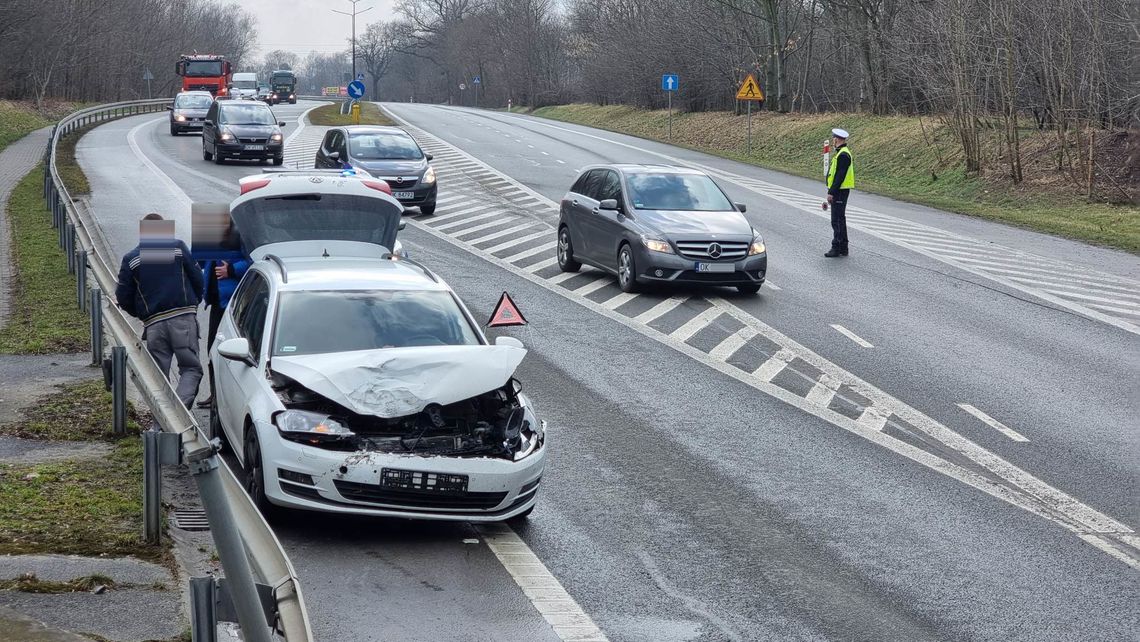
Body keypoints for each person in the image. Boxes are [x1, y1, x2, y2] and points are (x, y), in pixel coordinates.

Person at [115, 213, 204, 408]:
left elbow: (122, 297)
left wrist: (142, 314)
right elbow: (198, 278)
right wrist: (194, 303)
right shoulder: (178, 248)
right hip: (183, 320)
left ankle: (162, 424)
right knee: (191, 369)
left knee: (159, 378)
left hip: (154, 325)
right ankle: (179, 416)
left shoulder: (131, 259)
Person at [196, 257, 249, 408]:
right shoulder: (214, 235)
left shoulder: (240, 234)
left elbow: (255, 257)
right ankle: (216, 394)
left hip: (234, 303)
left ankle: (231, 398)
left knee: (235, 352)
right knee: (213, 349)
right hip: (217, 302)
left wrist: (232, 269)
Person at [824, 128, 855, 257]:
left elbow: (840, 176)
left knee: (836, 220)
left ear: (837, 139)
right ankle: (843, 247)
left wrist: (831, 192)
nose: (833, 140)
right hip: (840, 190)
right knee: (840, 219)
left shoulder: (843, 154)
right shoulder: (842, 153)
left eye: (834, 138)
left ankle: (836, 247)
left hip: (840, 191)